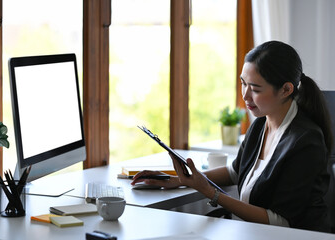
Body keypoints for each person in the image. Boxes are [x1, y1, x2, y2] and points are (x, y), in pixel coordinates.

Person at [131, 41, 332, 232]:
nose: (245, 95)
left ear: (286, 89)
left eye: (255, 88)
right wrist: (181, 179)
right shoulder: (261, 124)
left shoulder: (306, 142)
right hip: (250, 231)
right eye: (243, 84)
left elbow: (280, 222)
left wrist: (211, 193)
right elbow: (236, 171)